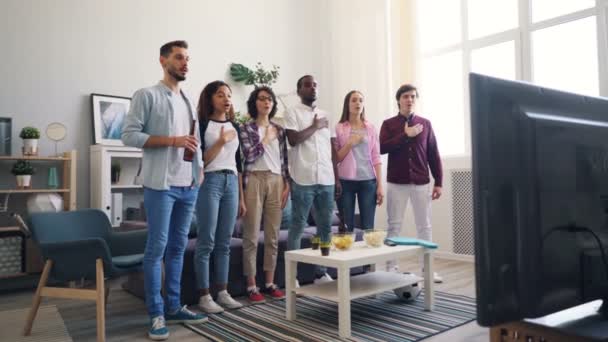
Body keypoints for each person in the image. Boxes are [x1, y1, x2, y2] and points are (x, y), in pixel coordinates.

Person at [121, 40, 207, 341]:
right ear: (163, 61)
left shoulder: (187, 99)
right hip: (161, 186)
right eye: (179, 58)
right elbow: (129, 136)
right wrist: (173, 141)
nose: (185, 63)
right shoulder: (146, 95)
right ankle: (156, 313)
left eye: (187, 58)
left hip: (188, 185)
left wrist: (199, 169)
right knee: (156, 248)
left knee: (177, 249)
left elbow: (192, 140)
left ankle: (173, 305)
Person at [379, 84, 444, 283]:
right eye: (406, 96)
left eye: (413, 97)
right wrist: (405, 135)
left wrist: (438, 182)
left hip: (421, 182)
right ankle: (391, 268)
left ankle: (427, 269)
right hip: (397, 182)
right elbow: (381, 148)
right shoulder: (388, 124)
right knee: (394, 225)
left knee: (424, 226)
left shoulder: (426, 124)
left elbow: (433, 154)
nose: (410, 100)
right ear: (398, 100)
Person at [284, 75, 341, 285]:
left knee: (324, 227)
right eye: (308, 85)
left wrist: (337, 177)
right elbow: (293, 139)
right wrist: (315, 126)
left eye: (315, 85)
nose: (313, 88)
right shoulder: (291, 113)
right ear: (299, 91)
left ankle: (321, 271)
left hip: (326, 178)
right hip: (303, 178)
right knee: (297, 226)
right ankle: (293, 275)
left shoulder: (326, 114)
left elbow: (332, 148)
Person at [194, 80, 246, 313]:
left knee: (224, 242)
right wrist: (221, 141)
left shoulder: (235, 125)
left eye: (228, 95)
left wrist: (242, 198)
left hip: (231, 183)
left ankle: (223, 293)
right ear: (210, 99)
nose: (226, 99)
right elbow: (201, 160)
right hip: (211, 182)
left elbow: (238, 164)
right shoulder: (202, 124)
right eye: (220, 95)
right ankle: (204, 296)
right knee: (207, 241)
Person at [239, 86, 290, 303]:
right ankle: (252, 286)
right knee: (251, 235)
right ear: (255, 103)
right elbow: (248, 156)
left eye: (269, 99)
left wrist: (287, 184)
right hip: (254, 180)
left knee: (272, 235)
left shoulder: (279, 129)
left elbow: (284, 159)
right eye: (261, 99)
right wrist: (266, 138)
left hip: (276, 180)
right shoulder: (245, 128)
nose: (266, 102)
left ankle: (269, 283)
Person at [334, 90, 383, 232]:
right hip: (345, 182)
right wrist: (350, 143)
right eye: (354, 100)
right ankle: (347, 255)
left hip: (368, 182)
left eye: (361, 100)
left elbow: (376, 157)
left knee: (368, 228)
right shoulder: (339, 128)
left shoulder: (371, 128)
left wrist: (379, 185)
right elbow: (336, 159)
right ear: (347, 104)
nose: (358, 103)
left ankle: (367, 254)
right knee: (347, 227)